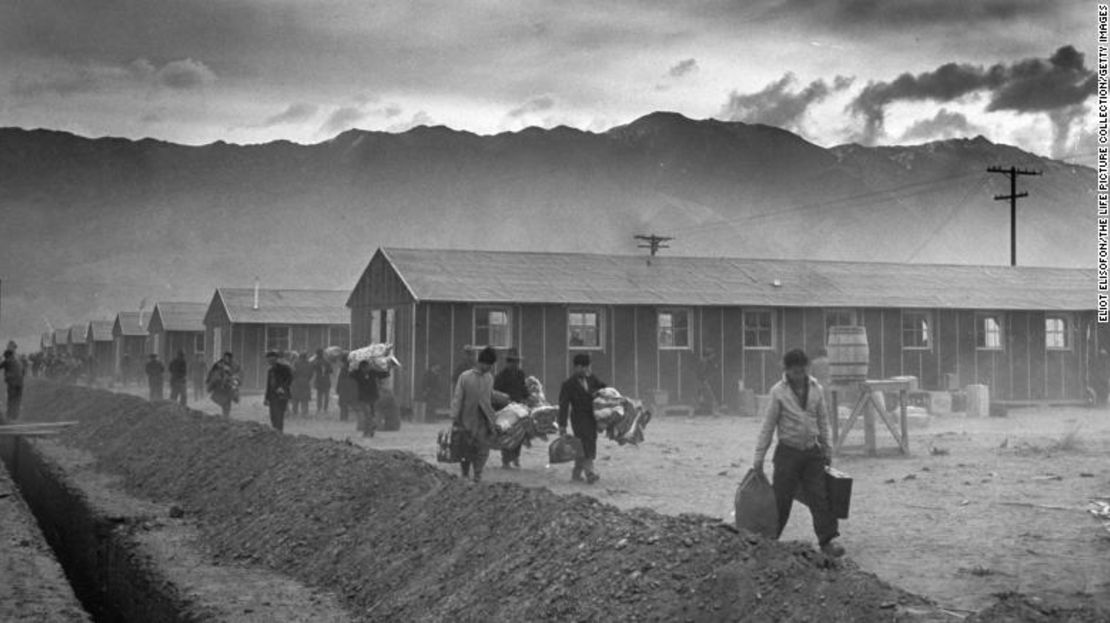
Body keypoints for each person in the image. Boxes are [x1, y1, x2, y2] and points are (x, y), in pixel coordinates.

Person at [751, 348, 844, 558]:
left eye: (802, 372)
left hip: (812, 452)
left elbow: (823, 420)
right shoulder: (777, 392)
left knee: (820, 497)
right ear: (786, 371)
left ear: (807, 369)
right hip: (787, 453)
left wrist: (827, 449)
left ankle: (827, 541)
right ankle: (769, 541)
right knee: (781, 499)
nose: (799, 376)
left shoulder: (817, 389)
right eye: (794, 373)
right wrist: (759, 458)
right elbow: (768, 426)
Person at [558, 352, 607, 484]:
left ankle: (576, 473)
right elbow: (563, 406)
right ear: (576, 367)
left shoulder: (592, 379)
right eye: (583, 367)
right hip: (578, 418)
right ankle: (590, 472)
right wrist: (562, 425)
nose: (586, 370)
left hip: (592, 417)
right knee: (586, 442)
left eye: (587, 367)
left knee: (587, 443)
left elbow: (604, 389)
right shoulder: (568, 384)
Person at [452, 345, 498, 483]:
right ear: (481, 362)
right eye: (488, 365)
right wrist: (455, 417)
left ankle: (478, 474)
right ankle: (465, 473)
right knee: (466, 448)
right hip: (467, 418)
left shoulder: (489, 378)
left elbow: (489, 397)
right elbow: (458, 398)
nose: (489, 368)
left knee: (483, 448)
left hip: (484, 420)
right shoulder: (465, 377)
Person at [494, 349, 529, 469]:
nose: (515, 364)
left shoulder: (520, 374)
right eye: (513, 362)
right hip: (505, 410)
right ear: (508, 363)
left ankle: (516, 457)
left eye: (517, 362)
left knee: (519, 434)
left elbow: (523, 389)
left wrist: (527, 398)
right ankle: (506, 460)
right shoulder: (500, 376)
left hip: (518, 409)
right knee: (506, 434)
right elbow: (496, 393)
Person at [351, 360, 390, 437]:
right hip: (363, 397)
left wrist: (387, 368)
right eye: (366, 367)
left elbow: (384, 375)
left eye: (368, 367)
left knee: (371, 415)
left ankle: (370, 430)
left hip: (373, 397)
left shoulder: (373, 372)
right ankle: (367, 431)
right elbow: (350, 374)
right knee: (367, 414)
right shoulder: (357, 374)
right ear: (362, 367)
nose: (367, 368)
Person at [264, 350, 294, 432]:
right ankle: (275, 431)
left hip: (281, 395)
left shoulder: (284, 368)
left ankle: (279, 432)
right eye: (268, 360)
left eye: (271, 360)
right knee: (273, 416)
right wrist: (266, 398)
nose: (269, 361)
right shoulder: (270, 371)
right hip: (272, 396)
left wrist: (283, 387)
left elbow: (290, 378)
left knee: (279, 415)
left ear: (275, 359)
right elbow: (269, 385)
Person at [206, 352, 241, 417]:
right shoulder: (219, 364)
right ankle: (225, 415)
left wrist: (235, 381)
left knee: (228, 401)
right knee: (224, 401)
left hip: (228, 387)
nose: (226, 359)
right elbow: (213, 373)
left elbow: (237, 374)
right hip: (220, 387)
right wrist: (209, 381)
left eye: (228, 358)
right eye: (225, 357)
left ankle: (226, 415)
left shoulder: (233, 365)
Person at [0, 349, 26, 422]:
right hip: (20, 384)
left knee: (11, 400)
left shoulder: (7, 361)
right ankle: (15, 417)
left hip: (12, 384)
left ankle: (9, 417)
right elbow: (23, 372)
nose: (5, 357)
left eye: (5, 356)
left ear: (8, 355)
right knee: (17, 400)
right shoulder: (19, 362)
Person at [695, 347, 718, 414]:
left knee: (702, 396)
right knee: (711, 396)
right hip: (702, 381)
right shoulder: (704, 362)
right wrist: (704, 380)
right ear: (709, 355)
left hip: (700, 381)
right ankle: (714, 411)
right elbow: (701, 372)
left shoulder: (704, 361)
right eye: (712, 355)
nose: (713, 356)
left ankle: (697, 410)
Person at [336, 355, 358, 422]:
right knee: (354, 404)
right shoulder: (354, 368)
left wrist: (338, 389)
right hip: (352, 388)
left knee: (343, 405)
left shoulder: (343, 369)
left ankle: (343, 418)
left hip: (344, 389)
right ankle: (357, 418)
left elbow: (340, 380)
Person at [291, 351, 313, 416]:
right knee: (305, 399)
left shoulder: (296, 363)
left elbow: (293, 372)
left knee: (295, 398)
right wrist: (307, 379)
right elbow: (311, 374)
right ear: (306, 357)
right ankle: (304, 413)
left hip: (296, 382)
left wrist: (294, 379)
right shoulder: (309, 364)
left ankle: (295, 412)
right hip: (305, 382)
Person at [312, 348, 333, 414]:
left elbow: (313, 369)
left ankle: (319, 408)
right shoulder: (327, 361)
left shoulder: (315, 361)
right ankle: (325, 409)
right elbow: (331, 371)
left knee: (319, 395)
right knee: (326, 395)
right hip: (326, 380)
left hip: (319, 380)